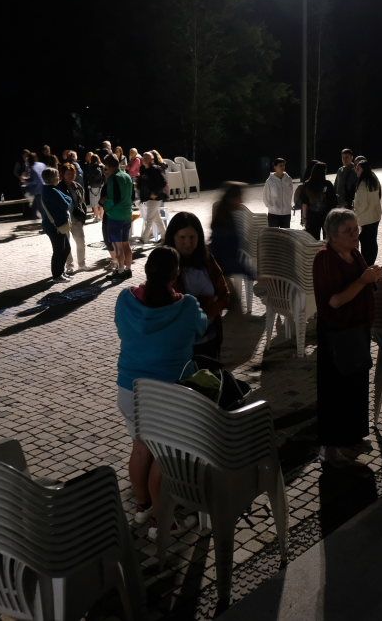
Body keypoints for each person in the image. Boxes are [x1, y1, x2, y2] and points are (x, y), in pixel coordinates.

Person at [115, 246, 208, 529]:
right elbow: (202, 328)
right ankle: (161, 518)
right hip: (169, 393)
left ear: (146, 270)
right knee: (164, 454)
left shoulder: (125, 300)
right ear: (176, 274)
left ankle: (142, 506)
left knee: (141, 447)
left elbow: (121, 329)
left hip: (130, 390)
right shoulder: (187, 305)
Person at [313, 208, 382, 468]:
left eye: (356, 229)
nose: (355, 235)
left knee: (356, 385)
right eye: (348, 231)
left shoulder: (355, 253)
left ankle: (353, 438)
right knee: (337, 391)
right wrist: (363, 281)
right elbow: (335, 300)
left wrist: (372, 276)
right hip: (337, 334)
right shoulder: (325, 259)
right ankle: (334, 447)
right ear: (332, 235)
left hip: (358, 330)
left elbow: (363, 282)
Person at [164, 212, 231, 360]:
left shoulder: (207, 259)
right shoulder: (165, 264)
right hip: (181, 343)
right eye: (182, 237)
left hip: (211, 338)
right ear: (172, 237)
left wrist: (210, 309)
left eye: (192, 237)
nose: (188, 243)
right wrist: (208, 303)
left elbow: (224, 294)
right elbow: (171, 304)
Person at [210, 182, 256, 281]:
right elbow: (228, 260)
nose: (242, 201)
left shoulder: (226, 218)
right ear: (231, 199)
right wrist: (252, 274)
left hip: (221, 272)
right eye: (240, 197)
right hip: (219, 274)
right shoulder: (225, 226)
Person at [102, 152, 134, 279]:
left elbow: (113, 199)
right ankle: (128, 269)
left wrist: (104, 205)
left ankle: (120, 271)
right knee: (126, 244)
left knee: (118, 246)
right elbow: (131, 196)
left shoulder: (113, 178)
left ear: (108, 165)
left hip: (115, 216)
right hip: (127, 214)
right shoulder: (127, 176)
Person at [38, 167, 73, 283]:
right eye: (57, 176)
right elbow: (67, 203)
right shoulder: (52, 190)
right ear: (52, 178)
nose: (59, 177)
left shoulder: (49, 189)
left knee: (66, 248)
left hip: (55, 225)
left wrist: (66, 199)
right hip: (55, 226)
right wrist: (67, 199)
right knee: (59, 250)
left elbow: (66, 200)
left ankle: (60, 272)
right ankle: (57, 275)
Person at [58, 163, 88, 273]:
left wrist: (82, 217)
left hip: (76, 219)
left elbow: (82, 202)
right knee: (66, 244)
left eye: (72, 173)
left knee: (81, 241)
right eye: (68, 173)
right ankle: (69, 265)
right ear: (63, 174)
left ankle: (82, 264)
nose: (71, 176)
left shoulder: (78, 186)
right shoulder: (59, 188)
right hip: (64, 219)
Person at [352, 159, 382, 266]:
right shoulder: (374, 179)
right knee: (372, 240)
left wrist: (355, 213)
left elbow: (362, 204)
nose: (356, 171)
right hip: (375, 215)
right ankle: (371, 262)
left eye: (358, 169)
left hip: (366, 218)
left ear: (364, 169)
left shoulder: (363, 184)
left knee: (366, 242)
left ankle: (366, 264)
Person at [300, 160, 337, 240]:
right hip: (326, 216)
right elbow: (333, 202)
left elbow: (304, 202)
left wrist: (304, 218)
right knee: (327, 239)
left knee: (313, 239)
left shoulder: (307, 184)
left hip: (312, 217)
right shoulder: (327, 184)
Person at [138, 151, 167, 244]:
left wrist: (155, 193)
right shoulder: (144, 170)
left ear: (151, 159)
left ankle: (144, 238)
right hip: (148, 197)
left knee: (149, 219)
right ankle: (165, 237)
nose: (143, 159)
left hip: (154, 198)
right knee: (156, 219)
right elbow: (143, 184)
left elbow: (163, 182)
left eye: (146, 158)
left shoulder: (155, 169)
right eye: (143, 157)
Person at [263, 158, 293, 228]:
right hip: (273, 214)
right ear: (275, 167)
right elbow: (265, 196)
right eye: (280, 165)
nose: (283, 167)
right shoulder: (269, 181)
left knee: (285, 234)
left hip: (286, 213)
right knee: (274, 234)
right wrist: (271, 206)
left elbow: (290, 193)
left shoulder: (288, 179)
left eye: (284, 165)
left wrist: (288, 205)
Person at [83, 152, 105, 216]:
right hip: (101, 186)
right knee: (101, 202)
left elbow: (88, 177)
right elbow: (104, 176)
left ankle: (96, 216)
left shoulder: (89, 167)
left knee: (94, 203)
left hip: (92, 187)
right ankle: (101, 216)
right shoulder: (102, 166)